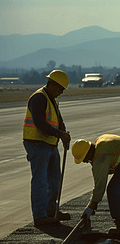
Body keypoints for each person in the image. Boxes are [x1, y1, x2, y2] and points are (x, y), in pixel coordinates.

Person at [71, 134, 120, 240]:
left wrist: (91, 205)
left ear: (88, 153)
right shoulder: (100, 142)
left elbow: (100, 187)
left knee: (114, 191)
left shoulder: (100, 158)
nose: (86, 162)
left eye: (84, 159)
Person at [23, 70, 71, 227]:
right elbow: (40, 123)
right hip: (37, 143)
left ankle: (51, 210)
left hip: (50, 143)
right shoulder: (39, 98)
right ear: (51, 85)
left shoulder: (52, 99)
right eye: (59, 89)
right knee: (40, 181)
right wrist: (59, 134)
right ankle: (40, 216)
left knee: (54, 180)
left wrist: (63, 133)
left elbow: (59, 119)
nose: (61, 92)